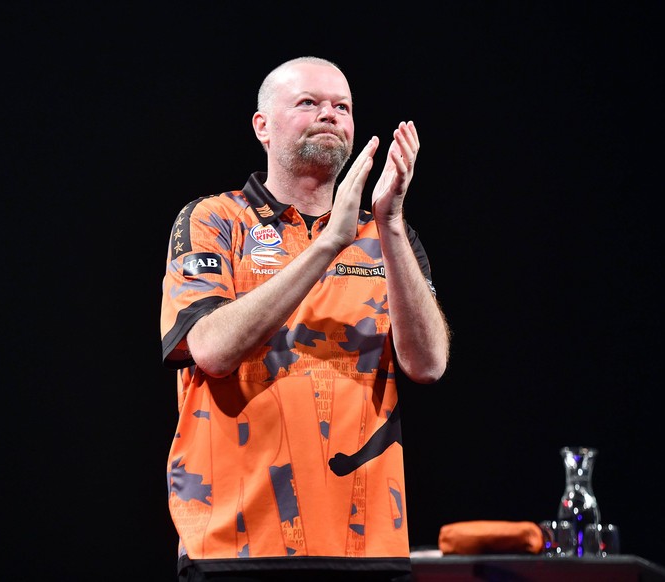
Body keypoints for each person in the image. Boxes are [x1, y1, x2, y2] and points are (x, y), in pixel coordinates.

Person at [159, 55, 451, 582]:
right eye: (308, 103)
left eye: (343, 106)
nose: (330, 114)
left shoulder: (389, 238)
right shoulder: (215, 220)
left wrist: (388, 221)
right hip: (233, 550)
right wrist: (329, 243)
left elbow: (429, 364)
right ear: (262, 126)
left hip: (368, 548)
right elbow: (210, 350)